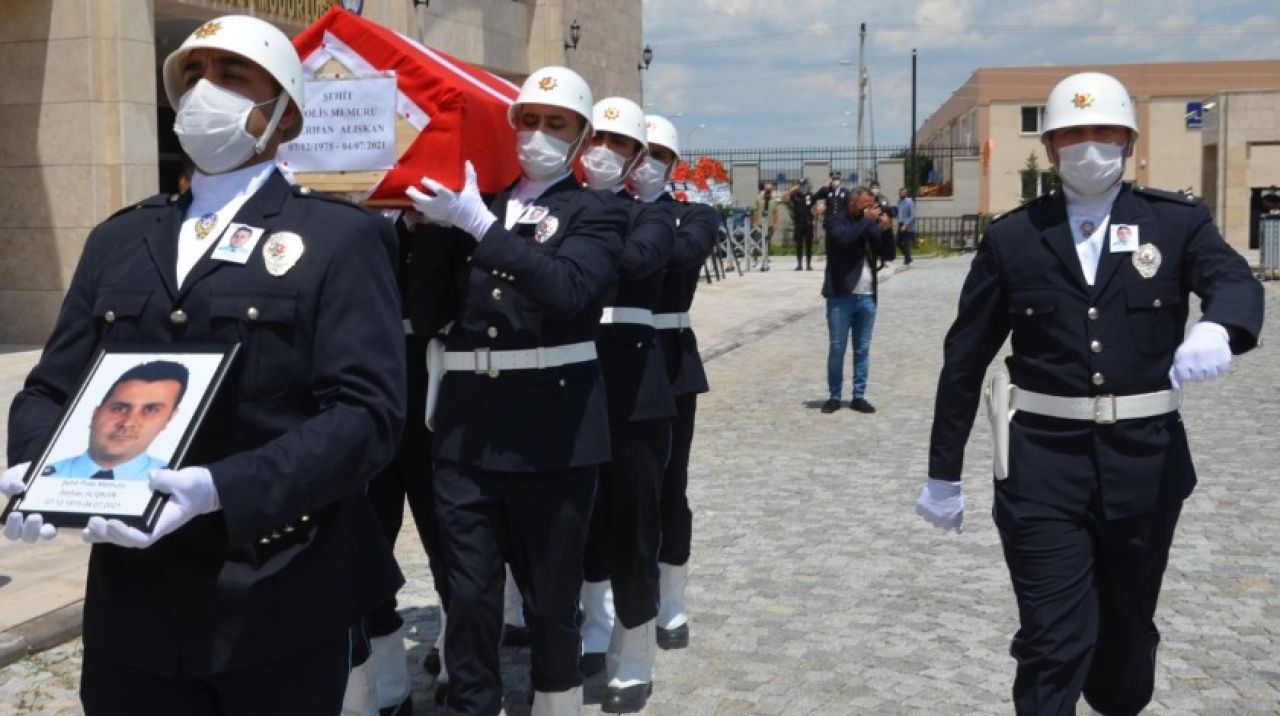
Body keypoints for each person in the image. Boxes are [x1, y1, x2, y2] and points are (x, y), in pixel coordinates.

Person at [1, 15, 406, 716]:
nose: (202, 93)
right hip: (133, 603)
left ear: (283, 117)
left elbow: (365, 416)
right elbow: (50, 386)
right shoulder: (120, 239)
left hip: (276, 588)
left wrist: (221, 487)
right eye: (192, 76)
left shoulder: (340, 239)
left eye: (230, 76)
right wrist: (36, 471)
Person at [915, 71, 1264, 716]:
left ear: (1128, 141)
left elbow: (1234, 281)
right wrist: (943, 473)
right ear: (1049, 148)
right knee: (1054, 639)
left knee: (1125, 644)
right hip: (1041, 465)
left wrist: (1220, 325)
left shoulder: (1175, 223)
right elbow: (964, 359)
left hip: (1145, 465)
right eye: (1072, 134)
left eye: (1103, 131)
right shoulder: (1014, 238)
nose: (1088, 146)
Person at [404, 65, 627, 716]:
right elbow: (427, 311)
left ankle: (556, 701)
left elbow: (568, 291)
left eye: (554, 124)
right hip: (469, 430)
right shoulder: (483, 204)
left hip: (552, 433)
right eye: (527, 121)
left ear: (582, 138)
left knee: (551, 598)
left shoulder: (597, 213)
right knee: (469, 593)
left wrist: (478, 227)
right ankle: (475, 703)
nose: (536, 134)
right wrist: (426, 232)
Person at [576, 96, 676, 713]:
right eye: (599, 141)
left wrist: (577, 234)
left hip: (636, 388)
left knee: (635, 527)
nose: (607, 154)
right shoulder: (566, 208)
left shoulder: (653, 218)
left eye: (620, 145)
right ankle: (593, 623)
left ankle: (636, 649)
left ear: (638, 157)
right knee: (580, 522)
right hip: (571, 382)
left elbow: (640, 259)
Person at [627, 115, 718, 654]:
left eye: (657, 154)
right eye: (640, 151)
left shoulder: (692, 216)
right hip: (612, 356)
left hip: (669, 360)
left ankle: (671, 593)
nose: (644, 162)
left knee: (669, 484)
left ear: (672, 165)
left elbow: (681, 258)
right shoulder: (607, 212)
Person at [43, 361, 188, 481]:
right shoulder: (45, 474)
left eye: (150, 410)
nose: (128, 422)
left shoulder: (175, 481)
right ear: (95, 414)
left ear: (169, 418)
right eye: (119, 409)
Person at [820, 188, 894, 415]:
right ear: (852, 204)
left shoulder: (867, 222)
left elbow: (888, 254)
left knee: (862, 349)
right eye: (865, 206)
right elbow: (843, 241)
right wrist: (866, 222)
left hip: (867, 295)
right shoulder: (834, 220)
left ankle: (859, 396)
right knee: (837, 347)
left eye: (872, 205)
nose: (869, 210)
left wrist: (887, 230)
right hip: (841, 295)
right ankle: (834, 395)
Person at [786, 178, 816, 270]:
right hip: (798, 223)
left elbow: (815, 207)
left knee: (809, 245)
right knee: (799, 244)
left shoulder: (810, 195)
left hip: (808, 223)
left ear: (806, 186)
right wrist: (793, 189)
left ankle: (808, 265)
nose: (802, 187)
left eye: (804, 185)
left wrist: (814, 219)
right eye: (801, 185)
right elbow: (784, 197)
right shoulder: (795, 196)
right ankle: (799, 265)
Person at [752, 182, 779, 271]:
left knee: (768, 242)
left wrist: (775, 224)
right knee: (757, 242)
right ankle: (755, 259)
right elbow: (755, 211)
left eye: (770, 190)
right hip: (760, 224)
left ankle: (766, 258)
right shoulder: (758, 199)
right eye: (767, 190)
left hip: (770, 224)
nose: (768, 191)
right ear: (764, 190)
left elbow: (775, 213)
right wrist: (755, 222)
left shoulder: (774, 200)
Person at [896, 187, 916, 265]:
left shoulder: (909, 202)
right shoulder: (899, 202)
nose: (902, 194)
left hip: (907, 224)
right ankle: (908, 257)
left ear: (906, 193)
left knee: (906, 242)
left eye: (904, 192)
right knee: (897, 242)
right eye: (901, 192)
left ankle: (907, 260)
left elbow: (912, 215)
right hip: (900, 223)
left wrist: (906, 224)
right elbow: (899, 214)